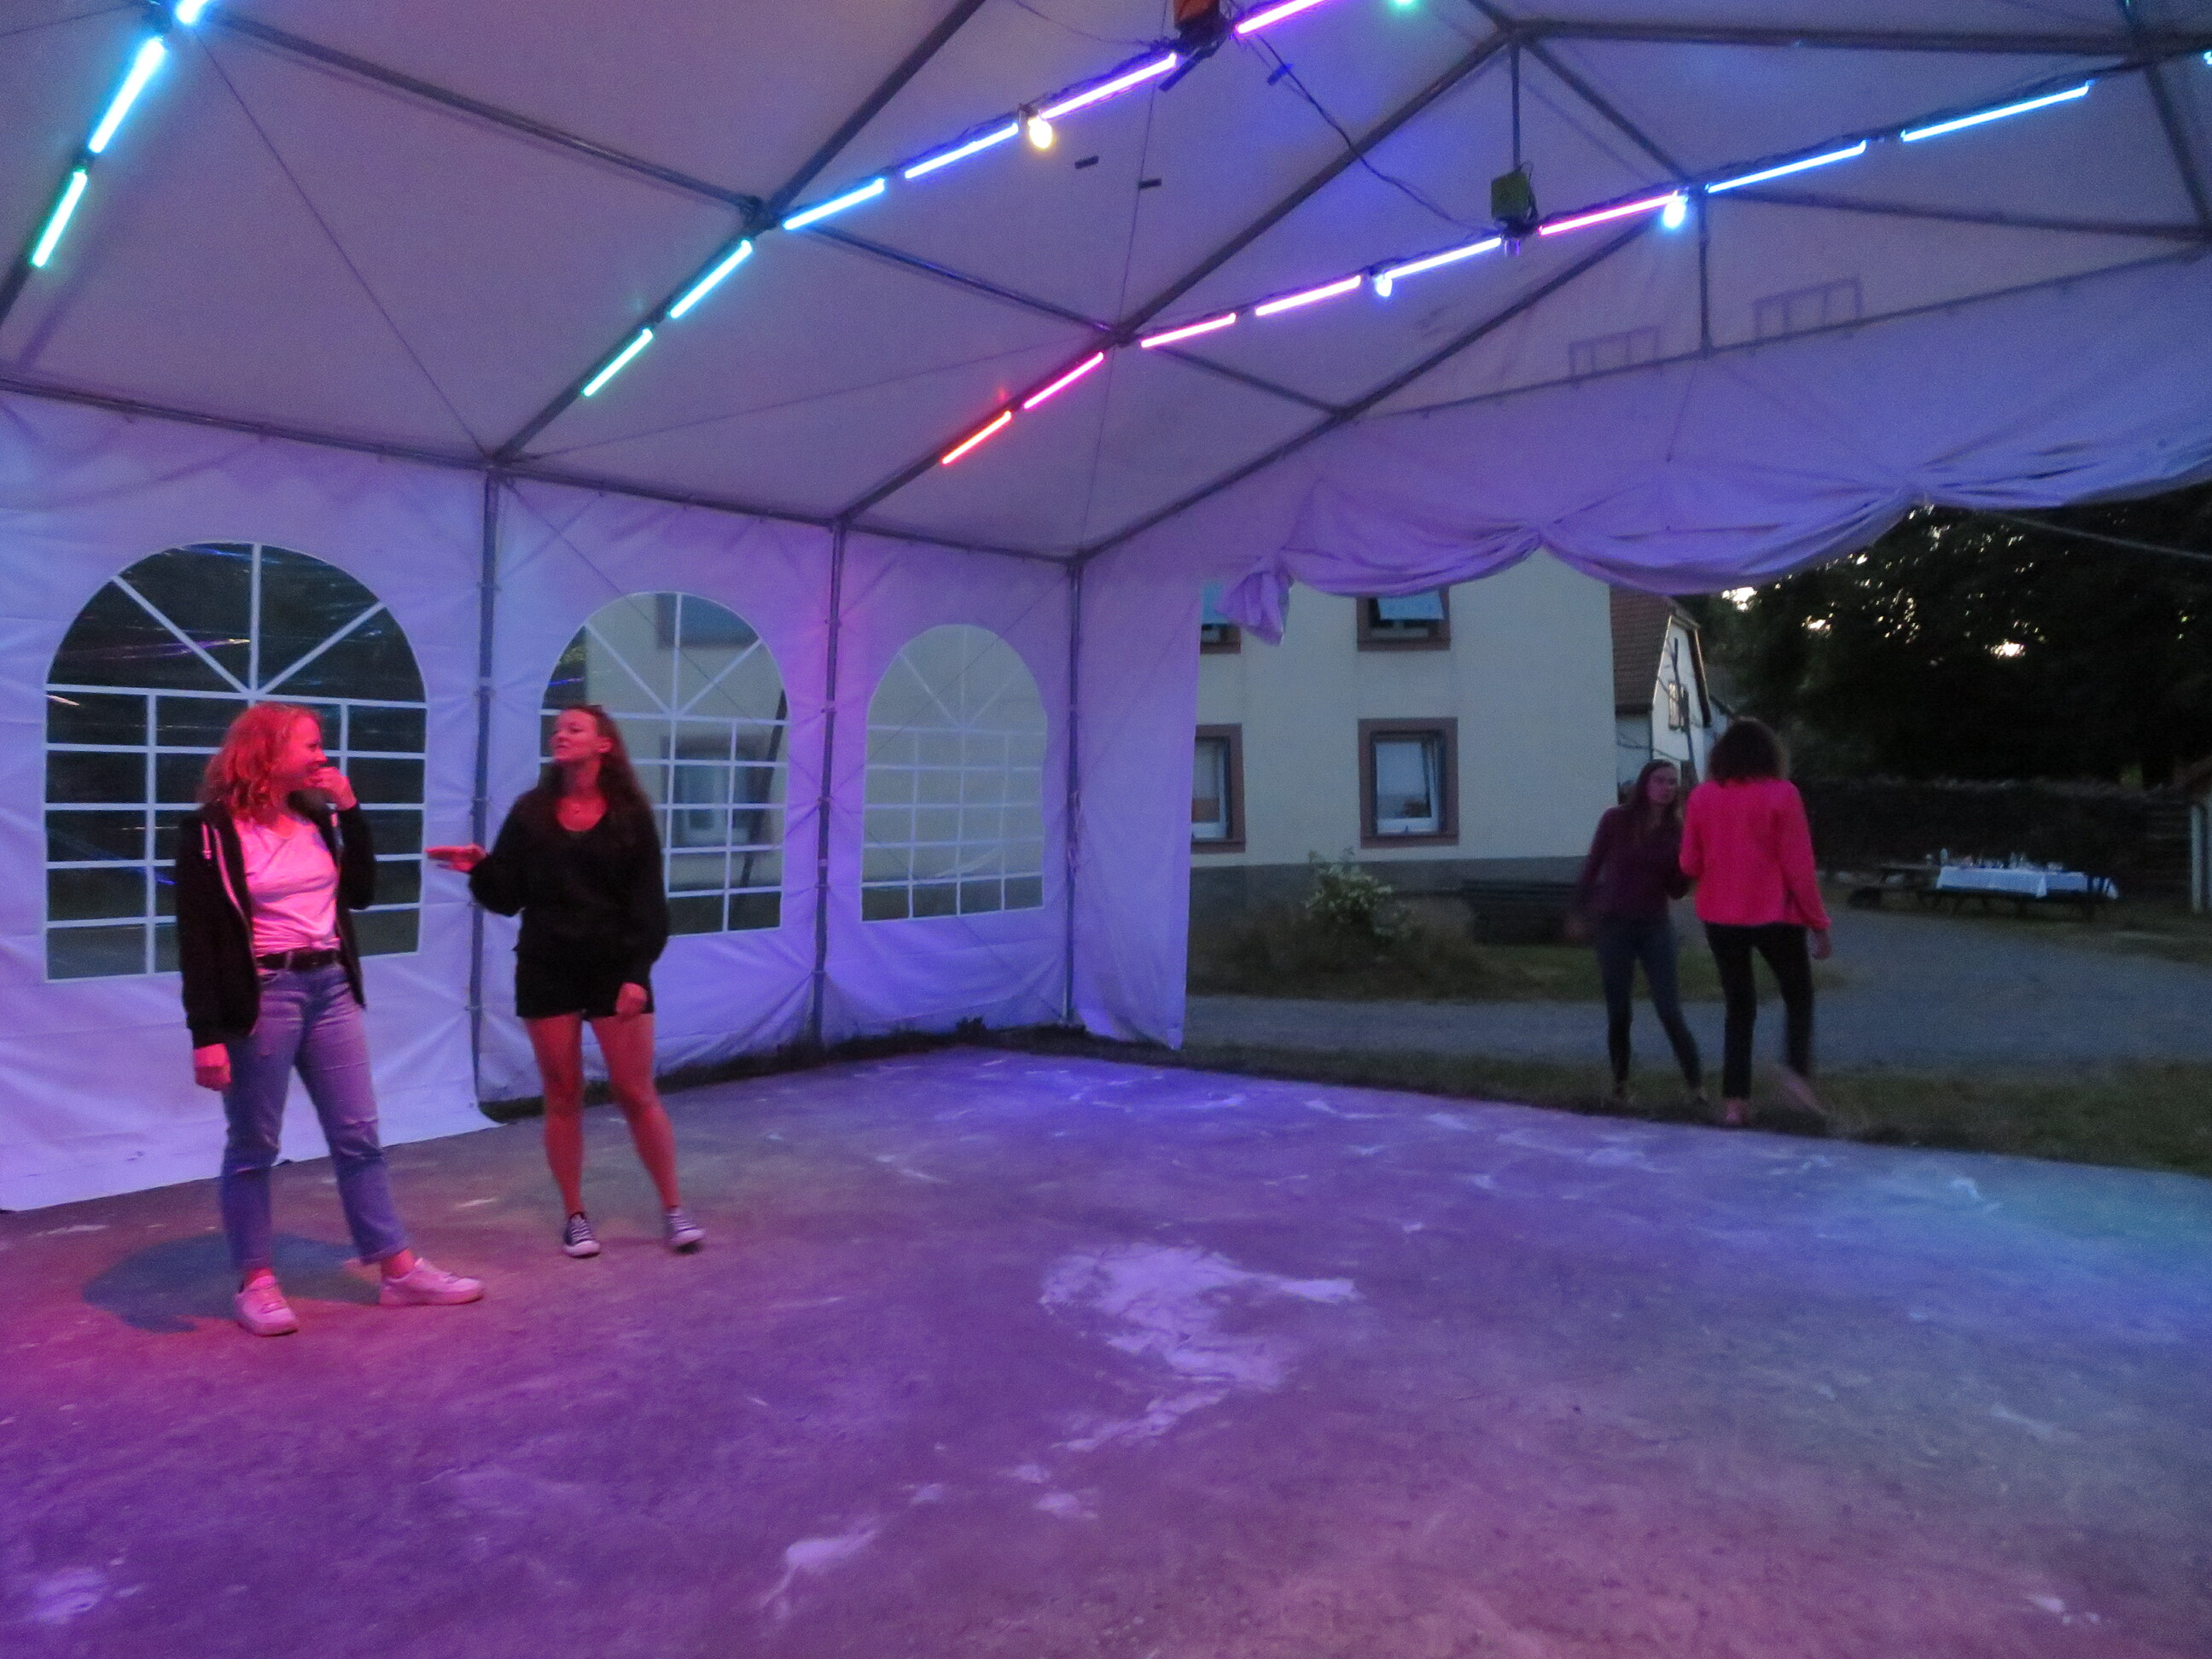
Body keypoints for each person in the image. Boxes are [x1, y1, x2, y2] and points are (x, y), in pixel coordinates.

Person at [177, 702, 483, 1336]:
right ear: (268, 751)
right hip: (265, 995)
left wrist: (351, 810)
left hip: (331, 987)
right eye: (311, 745)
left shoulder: (315, 816)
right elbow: (197, 939)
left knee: (358, 1135)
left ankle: (397, 1270)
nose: (322, 756)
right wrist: (206, 1035)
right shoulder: (210, 831)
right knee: (254, 1144)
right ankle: (257, 1283)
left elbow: (361, 893)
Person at [428, 705, 702, 1258]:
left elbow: (650, 905)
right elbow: (507, 897)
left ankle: (675, 1209)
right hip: (547, 965)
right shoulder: (531, 811)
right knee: (562, 1094)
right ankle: (575, 1216)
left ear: (604, 744)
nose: (561, 734)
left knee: (635, 1091)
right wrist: (479, 868)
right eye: (556, 728)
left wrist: (637, 976)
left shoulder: (629, 816)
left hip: (615, 967)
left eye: (574, 728)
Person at [1678, 719, 1833, 1126]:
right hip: (1774, 915)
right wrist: (1818, 924)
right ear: (1770, 754)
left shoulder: (1702, 797)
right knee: (1798, 995)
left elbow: (1689, 863)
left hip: (1719, 916)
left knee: (1739, 1006)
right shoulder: (1783, 794)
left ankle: (1735, 1103)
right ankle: (1795, 1074)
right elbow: (1799, 867)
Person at [1570, 760, 1703, 1107]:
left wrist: (1690, 866)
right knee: (1619, 1010)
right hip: (1614, 924)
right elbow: (1592, 866)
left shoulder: (1676, 831)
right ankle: (1620, 1084)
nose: (1666, 788)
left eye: (1672, 782)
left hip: (1654, 925)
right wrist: (1579, 911)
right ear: (1645, 784)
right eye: (1659, 780)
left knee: (1668, 1008)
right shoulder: (1616, 820)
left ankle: (1696, 1086)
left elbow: (1676, 889)